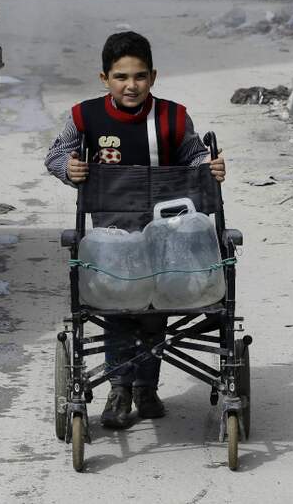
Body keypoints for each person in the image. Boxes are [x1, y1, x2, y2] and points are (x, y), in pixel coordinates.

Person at [44, 31, 226, 429]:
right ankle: (119, 387)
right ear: (104, 78)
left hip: (166, 237)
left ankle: (146, 386)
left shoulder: (174, 117)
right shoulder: (83, 116)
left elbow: (194, 155)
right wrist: (68, 168)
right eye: (121, 77)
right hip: (112, 240)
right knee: (117, 309)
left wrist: (209, 169)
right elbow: (56, 153)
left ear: (153, 77)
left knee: (156, 310)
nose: (131, 85)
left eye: (140, 77)